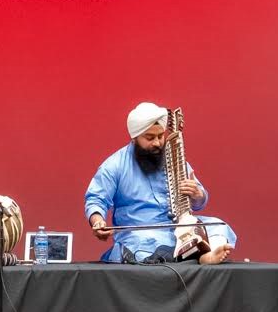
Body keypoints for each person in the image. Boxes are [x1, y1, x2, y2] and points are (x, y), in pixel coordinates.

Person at [85, 102, 236, 264]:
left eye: (160, 136)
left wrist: (197, 194)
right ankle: (198, 255)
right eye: (150, 138)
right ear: (135, 138)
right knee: (143, 243)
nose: (157, 143)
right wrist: (97, 221)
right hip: (140, 234)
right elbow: (96, 200)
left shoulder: (174, 160)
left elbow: (199, 203)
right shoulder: (114, 165)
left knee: (218, 225)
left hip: (178, 230)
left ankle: (206, 255)